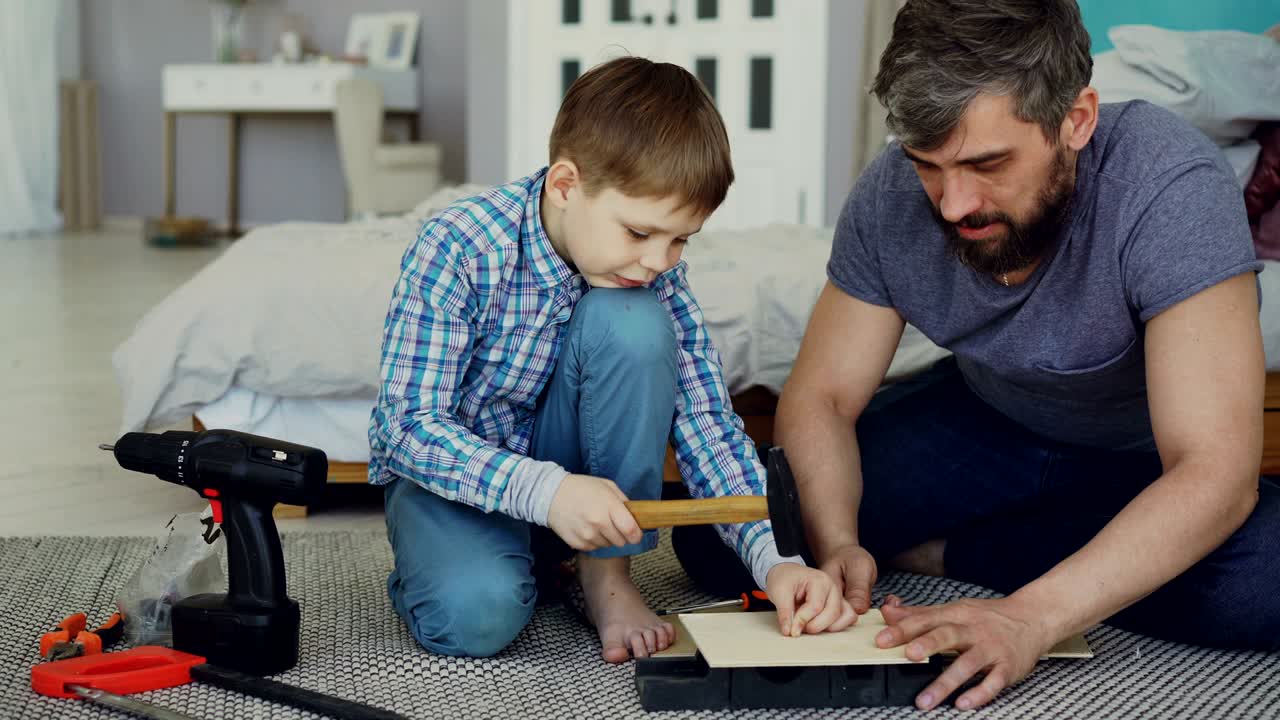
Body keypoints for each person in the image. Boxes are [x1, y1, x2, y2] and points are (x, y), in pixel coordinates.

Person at [772, 0, 1280, 710]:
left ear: (1076, 119)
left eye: (987, 163)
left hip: (1139, 462)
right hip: (987, 420)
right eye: (929, 165)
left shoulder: (1171, 186)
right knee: (755, 529)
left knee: (1267, 586)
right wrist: (838, 545)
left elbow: (1215, 474)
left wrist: (1030, 618)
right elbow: (822, 394)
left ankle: (962, 556)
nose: (953, 204)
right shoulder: (890, 196)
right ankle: (1059, 555)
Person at [368, 57, 854, 664]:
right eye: (640, 233)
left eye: (681, 239)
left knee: (635, 322)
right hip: (463, 481)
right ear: (566, 186)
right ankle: (474, 560)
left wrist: (777, 562)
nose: (660, 261)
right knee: (473, 616)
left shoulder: (650, 274)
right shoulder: (458, 247)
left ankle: (605, 578)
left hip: (578, 489)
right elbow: (406, 428)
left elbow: (704, 422)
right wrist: (545, 493)